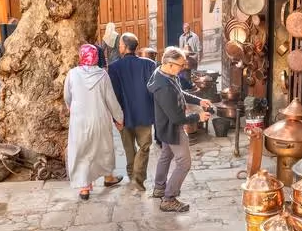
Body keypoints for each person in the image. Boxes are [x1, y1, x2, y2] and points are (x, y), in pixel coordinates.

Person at [146, 47, 211, 212]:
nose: (182, 69)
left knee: (166, 156)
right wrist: (198, 117)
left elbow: (179, 93)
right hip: (172, 128)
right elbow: (177, 119)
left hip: (164, 126)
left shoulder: (165, 74)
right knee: (184, 163)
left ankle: (159, 189)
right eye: (180, 65)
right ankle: (169, 198)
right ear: (169, 64)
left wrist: (198, 100)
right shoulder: (164, 86)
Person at [64, 44, 125, 200]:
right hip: (99, 118)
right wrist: (119, 118)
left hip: (79, 120)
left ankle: (84, 188)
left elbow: (67, 97)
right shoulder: (102, 75)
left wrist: (72, 107)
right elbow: (111, 100)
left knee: (82, 151)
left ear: (81, 56)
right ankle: (108, 177)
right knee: (103, 149)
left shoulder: (72, 74)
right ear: (96, 57)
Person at [108, 32, 156, 191]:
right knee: (144, 147)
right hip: (144, 113)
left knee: (129, 148)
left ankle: (132, 175)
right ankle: (138, 178)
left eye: (120, 45)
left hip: (123, 115)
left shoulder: (114, 68)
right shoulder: (149, 64)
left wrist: (116, 118)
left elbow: (114, 95)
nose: (119, 47)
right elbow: (153, 91)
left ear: (124, 47)